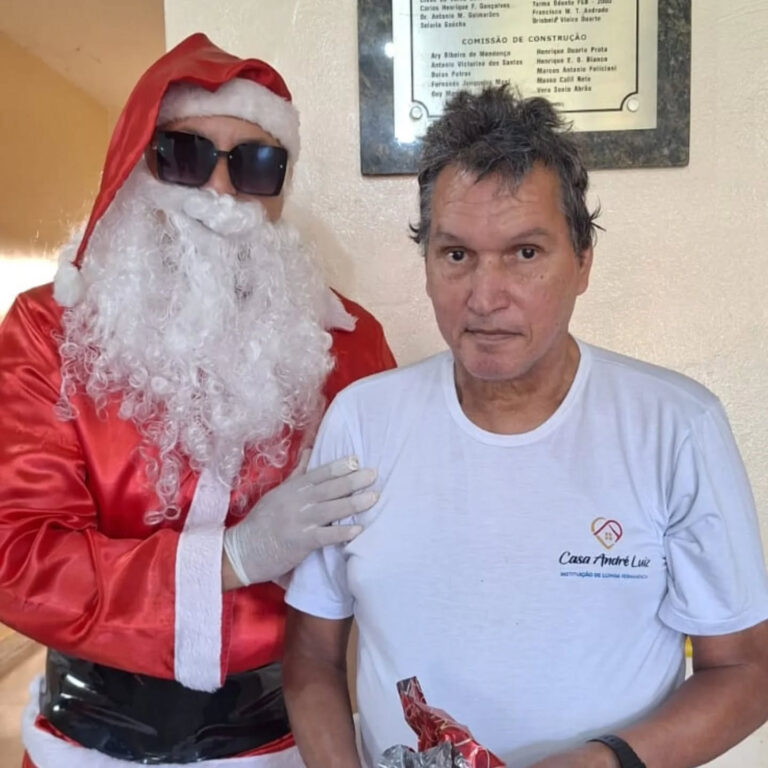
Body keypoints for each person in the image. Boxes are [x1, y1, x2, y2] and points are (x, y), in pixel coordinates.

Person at [282, 86, 768, 768]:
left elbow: (745, 669)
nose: (486, 297)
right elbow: (310, 654)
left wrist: (598, 763)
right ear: (428, 264)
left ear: (583, 263)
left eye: (525, 253)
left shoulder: (675, 427)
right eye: (456, 254)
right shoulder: (362, 422)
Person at [0, 33, 395, 768]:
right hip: (86, 743)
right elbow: (15, 557)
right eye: (184, 155)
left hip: (280, 741)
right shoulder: (47, 332)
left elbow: (392, 547)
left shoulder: (349, 344)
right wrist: (234, 558)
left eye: (255, 164)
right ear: (138, 164)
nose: (219, 192)